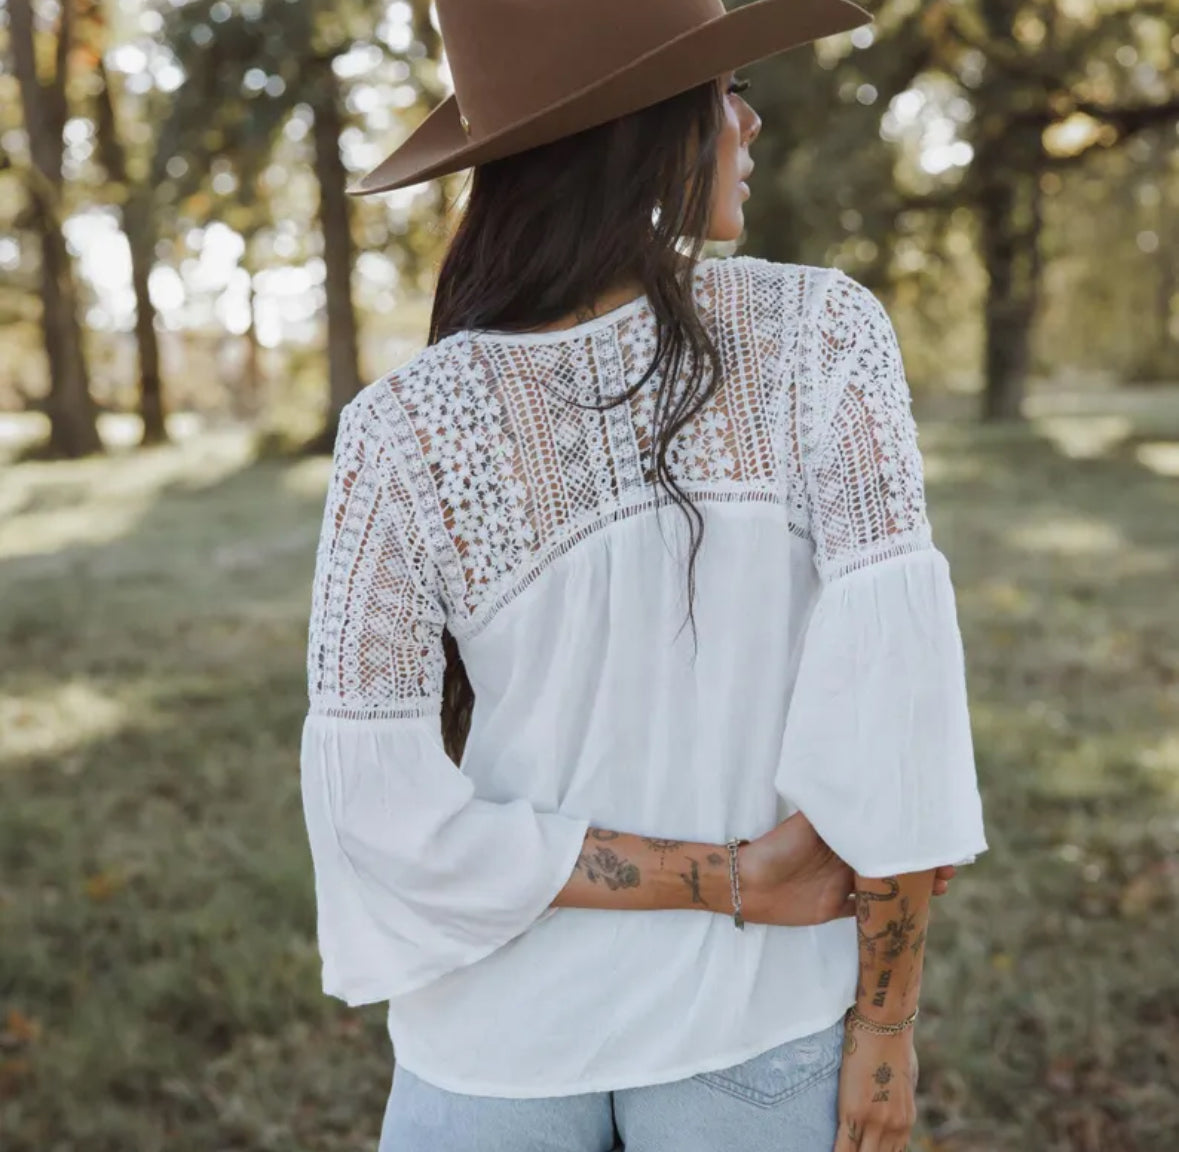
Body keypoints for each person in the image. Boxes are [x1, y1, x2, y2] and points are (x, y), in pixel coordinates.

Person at [298, 1, 989, 1149]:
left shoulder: (402, 426)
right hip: (752, 1027)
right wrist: (881, 1025)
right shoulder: (823, 334)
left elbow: (381, 815)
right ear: (639, 125)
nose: (748, 118)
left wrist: (729, 876)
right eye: (721, 87)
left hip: (488, 1051)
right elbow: (894, 733)